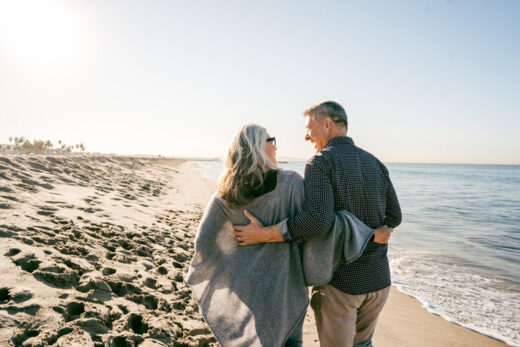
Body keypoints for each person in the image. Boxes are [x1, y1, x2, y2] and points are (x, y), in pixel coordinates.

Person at [186, 123, 392, 347]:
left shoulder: (226, 192)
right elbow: (323, 225)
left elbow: (205, 244)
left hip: (248, 284)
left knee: (261, 339)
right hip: (286, 284)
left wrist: (232, 267)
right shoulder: (291, 184)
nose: (275, 147)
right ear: (257, 147)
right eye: (271, 141)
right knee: (291, 341)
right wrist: (370, 235)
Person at [233, 101, 402, 347]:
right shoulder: (375, 162)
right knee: (363, 344)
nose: (305, 136)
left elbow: (316, 221)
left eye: (309, 128)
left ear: (327, 124)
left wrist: (264, 234)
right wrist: (371, 233)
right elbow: (395, 217)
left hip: (341, 281)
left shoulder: (320, 162)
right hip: (379, 280)